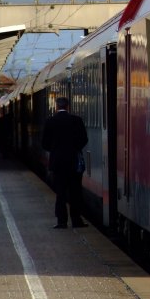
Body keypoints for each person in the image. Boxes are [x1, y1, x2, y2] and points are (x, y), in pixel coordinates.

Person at [41, 97, 88, 229]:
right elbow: (84, 139)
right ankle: (76, 220)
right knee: (75, 192)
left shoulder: (50, 121)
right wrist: (75, 148)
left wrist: (55, 150)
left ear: (56, 106)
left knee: (60, 192)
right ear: (68, 106)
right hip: (74, 162)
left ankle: (61, 221)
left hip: (57, 163)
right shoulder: (76, 120)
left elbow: (44, 143)